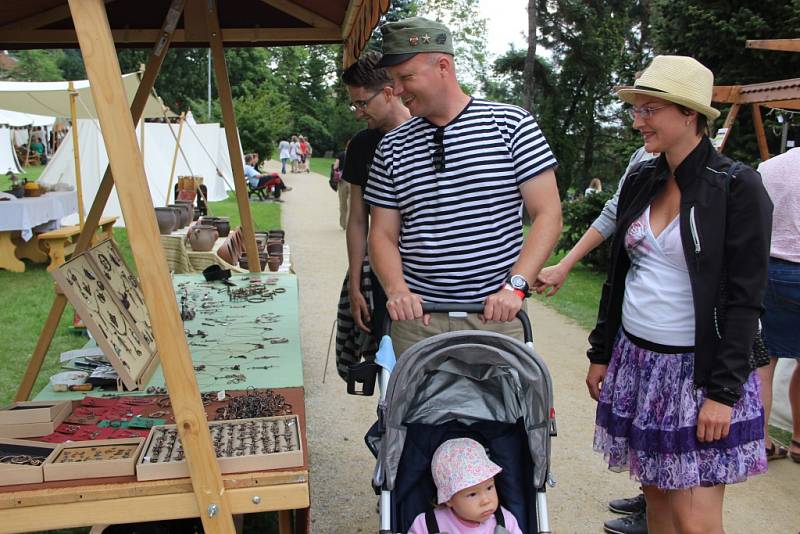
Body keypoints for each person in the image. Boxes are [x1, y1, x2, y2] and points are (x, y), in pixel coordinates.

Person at [587, 55, 772, 533]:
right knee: (661, 511)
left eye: (650, 109)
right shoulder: (643, 177)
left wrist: (723, 394)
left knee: (695, 522)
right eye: (637, 108)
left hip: (700, 375)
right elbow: (620, 274)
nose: (638, 120)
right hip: (639, 366)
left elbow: (745, 298)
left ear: (689, 114)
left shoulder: (737, 187)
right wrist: (602, 351)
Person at [364, 17, 562, 356]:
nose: (397, 91)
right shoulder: (391, 146)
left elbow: (548, 214)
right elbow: (381, 234)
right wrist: (397, 290)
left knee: (504, 410)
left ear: (443, 66)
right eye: (393, 80)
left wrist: (515, 288)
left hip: (496, 318)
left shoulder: (512, 126)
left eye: (406, 77)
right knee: (412, 410)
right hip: (419, 323)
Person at [533, 145, 657, 534]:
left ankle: (659, 508)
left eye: (648, 108)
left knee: (663, 421)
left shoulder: (720, 180)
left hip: (678, 334)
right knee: (643, 413)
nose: (638, 120)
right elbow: (613, 215)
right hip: (638, 321)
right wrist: (566, 264)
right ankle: (651, 496)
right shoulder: (642, 160)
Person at [334, 51, 412, 380]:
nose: (357, 113)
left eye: (363, 103)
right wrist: (355, 284)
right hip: (382, 278)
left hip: (428, 272)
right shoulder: (363, 145)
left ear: (389, 92)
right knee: (388, 355)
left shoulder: (426, 133)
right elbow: (356, 219)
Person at [756, 147, 800, 463]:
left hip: (769, 268)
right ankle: (798, 441)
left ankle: (761, 441)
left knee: (764, 362)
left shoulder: (769, 167)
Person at [407, 438, 523, 534]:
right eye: (472, 494)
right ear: (449, 499)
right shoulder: (427, 524)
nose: (486, 500)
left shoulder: (505, 522)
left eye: (489, 488)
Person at [333, 145, 349, 230]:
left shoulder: (341, 154)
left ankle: (344, 224)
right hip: (353, 182)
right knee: (352, 204)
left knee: (343, 203)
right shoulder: (356, 154)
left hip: (343, 181)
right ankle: (351, 223)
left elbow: (335, 167)